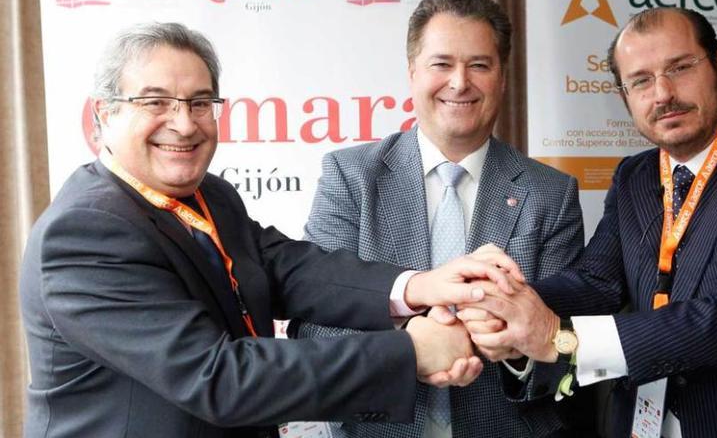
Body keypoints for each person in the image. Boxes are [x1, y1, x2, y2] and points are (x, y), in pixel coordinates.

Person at [18, 22, 523, 438]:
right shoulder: (86, 232)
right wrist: (411, 351)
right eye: (155, 102)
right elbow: (220, 378)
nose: (185, 123)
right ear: (105, 115)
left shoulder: (210, 194)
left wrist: (418, 286)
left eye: (199, 102)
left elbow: (287, 269)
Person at [457, 7, 717, 437]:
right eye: (641, 81)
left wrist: (561, 338)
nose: (663, 93)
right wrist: (498, 299)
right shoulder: (636, 176)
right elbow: (596, 283)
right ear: (625, 96)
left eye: (680, 68)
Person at [299, 0, 588, 437]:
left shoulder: (550, 194)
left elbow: (562, 348)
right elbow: (315, 326)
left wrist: (514, 348)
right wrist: (410, 349)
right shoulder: (350, 177)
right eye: (441, 64)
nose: (459, 82)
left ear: (502, 78)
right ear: (413, 71)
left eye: (479, 65)